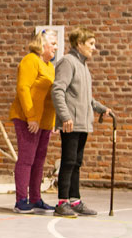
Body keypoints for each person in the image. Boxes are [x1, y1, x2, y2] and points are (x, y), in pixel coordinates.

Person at [51, 27, 112, 218]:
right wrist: (65, 116)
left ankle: (75, 200)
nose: (94, 48)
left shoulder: (83, 66)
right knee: (68, 161)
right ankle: (62, 203)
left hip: (83, 123)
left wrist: (101, 108)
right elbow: (57, 90)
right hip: (71, 122)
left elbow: (85, 97)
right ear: (79, 43)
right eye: (91, 44)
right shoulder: (68, 62)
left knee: (76, 163)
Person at [9, 29, 58, 214]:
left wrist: (53, 122)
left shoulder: (50, 66)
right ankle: (21, 200)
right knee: (27, 159)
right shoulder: (30, 60)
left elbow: (51, 97)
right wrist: (31, 117)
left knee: (39, 161)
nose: (56, 47)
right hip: (27, 118)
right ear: (42, 44)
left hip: (44, 121)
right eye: (53, 43)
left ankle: (36, 198)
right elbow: (23, 88)